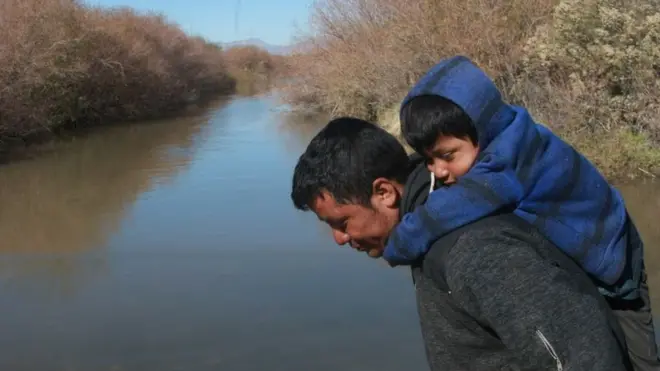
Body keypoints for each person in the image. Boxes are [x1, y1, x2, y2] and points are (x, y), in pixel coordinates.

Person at [382, 55, 659, 370]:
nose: (439, 171)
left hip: (616, 261)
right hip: (597, 237)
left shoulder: (507, 162)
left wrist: (397, 242)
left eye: (447, 156)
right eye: (428, 159)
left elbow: (447, 211)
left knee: (641, 358)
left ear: (483, 131)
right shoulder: (513, 127)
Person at [290, 117, 632, 370]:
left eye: (342, 222)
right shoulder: (425, 233)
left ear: (384, 193)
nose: (339, 238)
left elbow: (584, 359)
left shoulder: (473, 249)